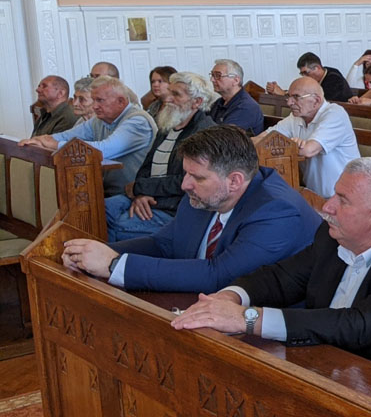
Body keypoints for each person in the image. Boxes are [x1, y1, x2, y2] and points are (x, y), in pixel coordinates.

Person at [170, 157, 371, 390]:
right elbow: (282, 277)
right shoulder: (334, 235)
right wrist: (228, 299)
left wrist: (248, 319)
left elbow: (358, 324)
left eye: (343, 200)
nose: (328, 207)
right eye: (333, 195)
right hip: (330, 370)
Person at [60, 125, 322, 293]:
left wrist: (115, 265)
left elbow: (219, 276)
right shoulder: (205, 195)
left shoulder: (276, 212)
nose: (185, 185)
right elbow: (164, 244)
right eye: (186, 174)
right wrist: (92, 254)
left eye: (197, 177)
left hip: (271, 329)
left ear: (234, 181)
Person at [104, 71, 216, 241]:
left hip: (175, 208)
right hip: (150, 197)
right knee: (97, 210)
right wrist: (141, 195)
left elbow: (186, 181)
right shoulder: (168, 124)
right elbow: (146, 166)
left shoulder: (204, 132)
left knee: (117, 226)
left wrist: (142, 188)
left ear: (197, 102)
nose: (167, 98)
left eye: (176, 94)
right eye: (169, 91)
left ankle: (111, 265)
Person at [21, 77, 157, 197]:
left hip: (133, 195)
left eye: (100, 101)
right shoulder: (100, 120)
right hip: (107, 191)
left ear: (121, 101)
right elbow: (66, 136)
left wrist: (54, 145)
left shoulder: (138, 121)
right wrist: (39, 140)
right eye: (94, 100)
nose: (95, 106)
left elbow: (102, 150)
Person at [255, 77, 359, 198]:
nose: (289, 103)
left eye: (296, 97)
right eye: (288, 96)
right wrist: (291, 144)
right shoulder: (295, 117)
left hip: (345, 197)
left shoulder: (335, 114)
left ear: (316, 100)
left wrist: (290, 145)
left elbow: (309, 150)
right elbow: (261, 140)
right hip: (314, 196)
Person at [208, 59, 264, 134]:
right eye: (212, 75)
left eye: (218, 75)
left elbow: (224, 136)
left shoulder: (246, 107)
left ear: (236, 80)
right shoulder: (219, 102)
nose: (212, 80)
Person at [269, 52, 352, 102]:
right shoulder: (317, 79)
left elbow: (314, 102)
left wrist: (284, 94)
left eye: (306, 72)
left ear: (317, 68)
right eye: (302, 74)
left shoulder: (334, 79)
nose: (304, 77)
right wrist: (284, 92)